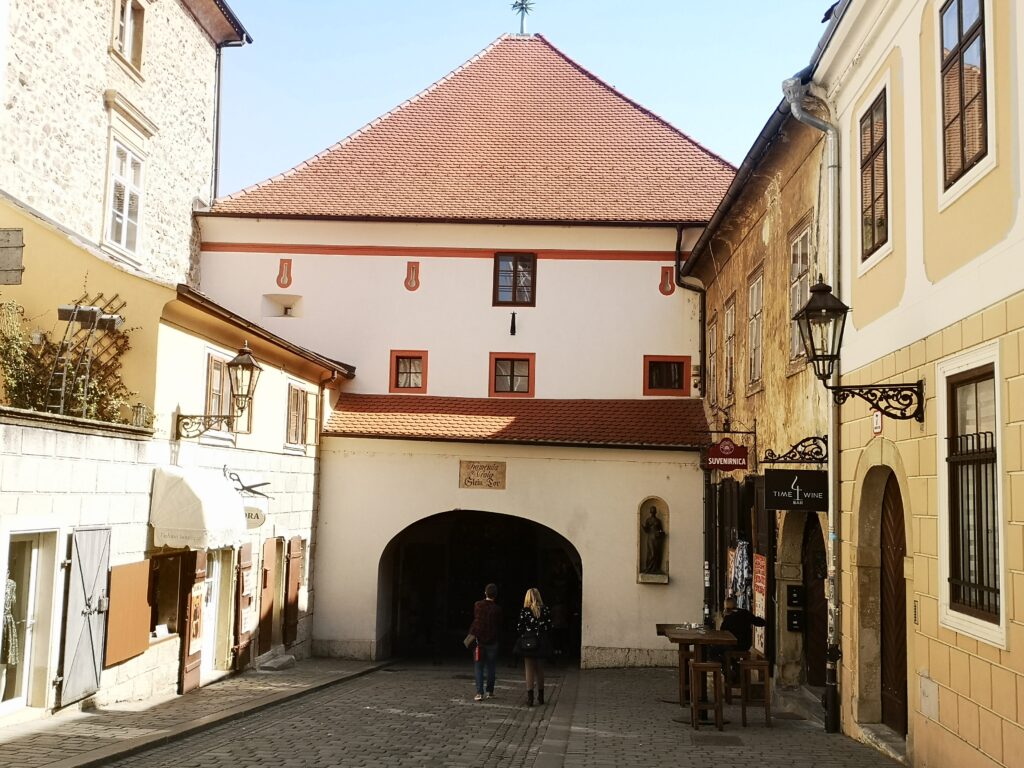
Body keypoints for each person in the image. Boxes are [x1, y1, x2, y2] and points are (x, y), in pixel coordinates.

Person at [515, 587, 553, 706]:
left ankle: (530, 698)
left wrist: (526, 633)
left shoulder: (525, 611)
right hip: (541, 641)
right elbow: (549, 626)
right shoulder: (545, 609)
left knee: (529, 670)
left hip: (528, 642)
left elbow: (519, 627)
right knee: (540, 670)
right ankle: (541, 697)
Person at [468, 583, 502, 701]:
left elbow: (477, 621)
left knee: (479, 667)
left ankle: (479, 692)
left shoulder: (477, 605)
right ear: (495, 595)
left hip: (479, 641)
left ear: (485, 593)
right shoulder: (497, 609)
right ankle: (490, 691)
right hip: (492, 641)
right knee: (491, 667)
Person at [640, 506, 666, 573]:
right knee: (652, 553)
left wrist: (661, 533)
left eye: (654, 510)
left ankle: (655, 568)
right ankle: (648, 568)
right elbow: (647, 530)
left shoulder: (658, 521)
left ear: (655, 512)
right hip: (650, 537)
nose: (653, 512)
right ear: (650, 512)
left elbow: (661, 530)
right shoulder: (648, 520)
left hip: (656, 538)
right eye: (652, 510)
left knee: (656, 552)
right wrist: (643, 527)